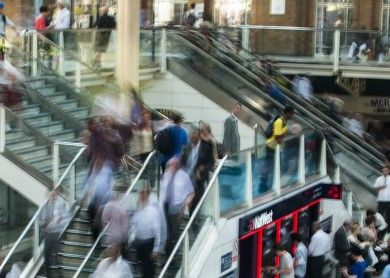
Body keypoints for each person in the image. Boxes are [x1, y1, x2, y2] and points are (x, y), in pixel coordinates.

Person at [159, 158, 194, 254]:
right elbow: (162, 191)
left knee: (174, 233)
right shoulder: (166, 175)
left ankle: (173, 255)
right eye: (170, 165)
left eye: (174, 165)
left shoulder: (184, 176)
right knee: (166, 230)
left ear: (178, 166)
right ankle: (168, 251)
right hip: (165, 206)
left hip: (177, 207)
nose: (172, 167)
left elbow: (191, 193)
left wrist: (184, 206)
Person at [259, 106, 294, 192]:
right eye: (292, 113)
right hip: (272, 147)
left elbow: (281, 135)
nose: (293, 115)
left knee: (274, 165)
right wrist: (285, 134)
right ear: (287, 113)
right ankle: (262, 184)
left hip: (278, 148)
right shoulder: (279, 121)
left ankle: (270, 182)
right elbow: (277, 135)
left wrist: (284, 134)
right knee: (268, 165)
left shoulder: (285, 122)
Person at [132, 187, 164, 278]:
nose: (141, 196)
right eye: (140, 194)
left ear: (148, 196)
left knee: (149, 269)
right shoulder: (138, 210)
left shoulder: (153, 211)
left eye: (143, 194)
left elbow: (157, 231)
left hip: (149, 244)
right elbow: (134, 224)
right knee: (142, 267)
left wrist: (155, 249)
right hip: (139, 243)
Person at [39, 187, 70, 278]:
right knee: (47, 254)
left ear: (58, 192)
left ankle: (60, 273)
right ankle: (49, 275)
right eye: (51, 192)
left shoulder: (62, 203)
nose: (52, 193)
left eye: (54, 191)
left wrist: (57, 222)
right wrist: (43, 224)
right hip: (48, 232)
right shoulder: (46, 203)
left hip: (58, 232)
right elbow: (40, 217)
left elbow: (66, 218)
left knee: (56, 254)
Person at [374, 165, 390, 232]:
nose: (384, 172)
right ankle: (379, 230)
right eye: (383, 170)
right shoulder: (379, 179)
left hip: (389, 200)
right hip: (381, 200)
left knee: (389, 216)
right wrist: (381, 187)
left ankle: (388, 230)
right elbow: (375, 189)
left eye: (386, 170)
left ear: (389, 171)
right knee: (379, 216)